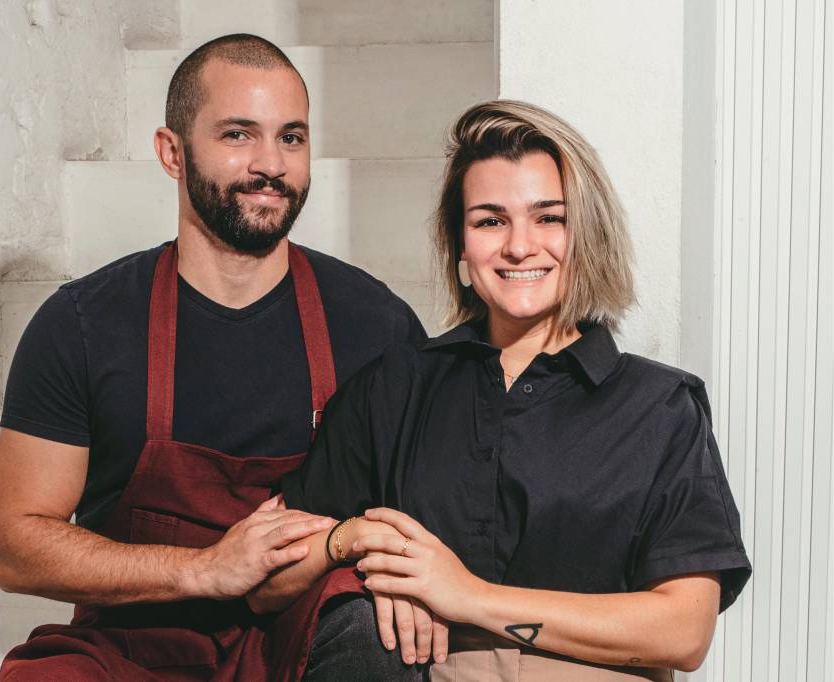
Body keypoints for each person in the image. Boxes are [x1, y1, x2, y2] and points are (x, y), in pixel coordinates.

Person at [0, 33, 427, 681]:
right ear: (172, 152)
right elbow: (14, 544)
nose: (271, 164)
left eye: (292, 137)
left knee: (377, 638)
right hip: (134, 641)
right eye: (239, 134)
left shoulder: (375, 324)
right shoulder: (83, 324)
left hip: (301, 635)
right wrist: (205, 568)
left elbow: (419, 510)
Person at [259, 100, 752, 680]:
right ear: (461, 247)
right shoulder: (394, 387)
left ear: (586, 235)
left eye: (549, 218)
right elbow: (266, 586)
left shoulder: (661, 407)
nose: (520, 246)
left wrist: (467, 596)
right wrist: (356, 541)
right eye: (490, 220)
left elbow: (683, 633)